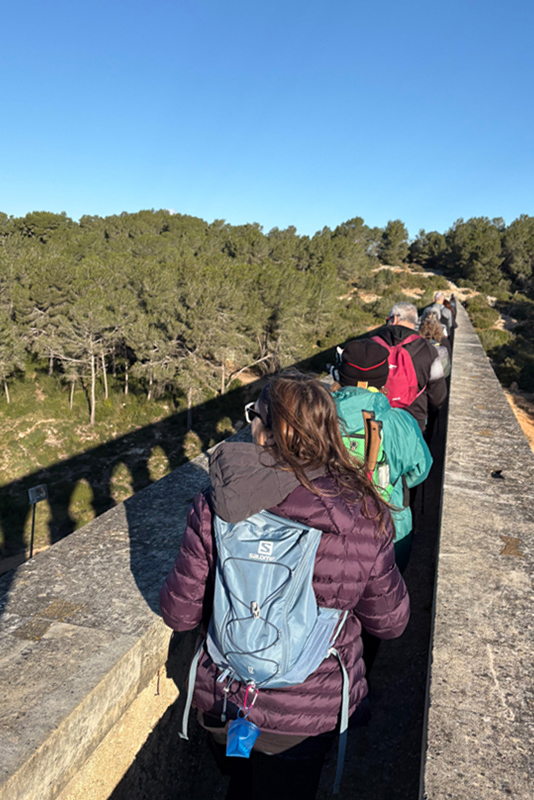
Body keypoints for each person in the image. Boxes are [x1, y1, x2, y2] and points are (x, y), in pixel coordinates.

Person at [160, 373, 410, 800]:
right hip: (306, 714)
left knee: (239, 786)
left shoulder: (216, 500)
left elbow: (179, 611)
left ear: (265, 429)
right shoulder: (364, 511)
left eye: (254, 416)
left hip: (226, 698)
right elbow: (390, 623)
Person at [331, 339, 433, 574]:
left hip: (331, 527)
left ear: (340, 373)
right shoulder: (401, 421)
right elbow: (421, 468)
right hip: (389, 528)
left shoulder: (314, 417)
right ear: (384, 377)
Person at [367, 301, 447, 432]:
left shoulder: (370, 344)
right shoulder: (429, 350)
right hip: (413, 419)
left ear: (395, 319)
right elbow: (438, 395)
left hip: (376, 418)